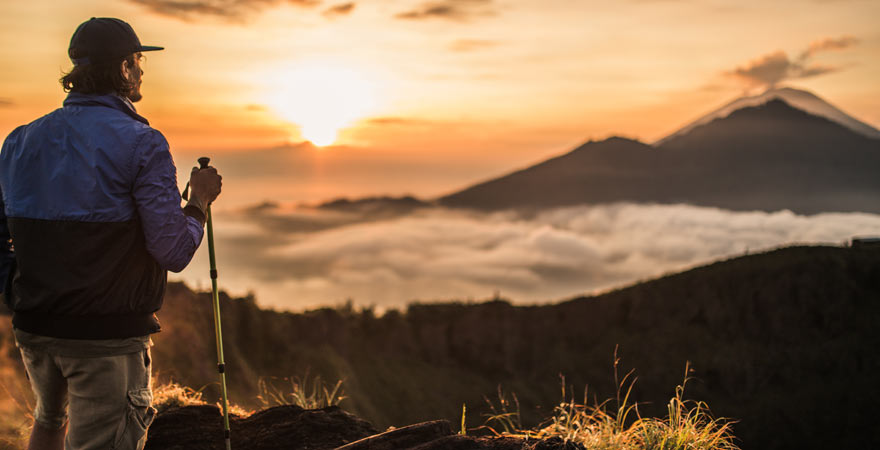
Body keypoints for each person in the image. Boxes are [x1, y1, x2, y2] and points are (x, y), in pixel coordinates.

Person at [0, 18, 221, 450]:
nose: (142, 70)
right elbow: (173, 250)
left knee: (48, 423)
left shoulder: (18, 141)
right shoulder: (142, 143)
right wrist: (198, 204)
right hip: (105, 338)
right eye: (138, 60)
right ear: (123, 69)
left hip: (35, 325)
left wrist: (14, 290)